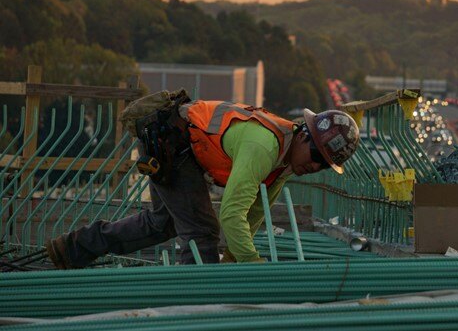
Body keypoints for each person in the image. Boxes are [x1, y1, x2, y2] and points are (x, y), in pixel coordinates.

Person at [45, 98, 360, 268]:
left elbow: (251, 216)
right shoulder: (264, 148)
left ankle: (72, 249)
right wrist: (253, 267)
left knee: (162, 224)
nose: (315, 166)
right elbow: (231, 215)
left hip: (176, 144)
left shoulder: (285, 163)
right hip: (173, 144)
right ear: (304, 133)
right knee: (201, 232)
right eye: (317, 154)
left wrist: (233, 261)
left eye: (324, 166)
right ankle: (198, 305)